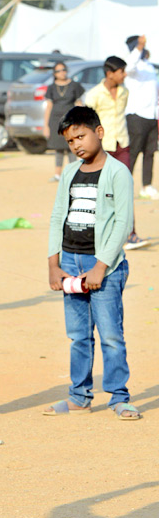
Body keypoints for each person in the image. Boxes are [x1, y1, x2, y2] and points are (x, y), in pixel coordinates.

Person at [45, 106, 140, 419]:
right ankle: (79, 396)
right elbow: (59, 215)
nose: (76, 145)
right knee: (78, 335)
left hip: (105, 267)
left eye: (81, 136)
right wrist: (53, 263)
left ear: (99, 132)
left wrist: (101, 266)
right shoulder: (70, 173)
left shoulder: (117, 173)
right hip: (70, 262)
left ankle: (118, 397)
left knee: (111, 334)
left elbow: (124, 222)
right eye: (71, 141)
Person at [85, 56, 148, 250]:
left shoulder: (124, 92)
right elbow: (86, 123)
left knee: (125, 188)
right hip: (102, 148)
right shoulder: (94, 95)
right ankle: (95, 234)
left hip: (122, 145)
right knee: (99, 190)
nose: (124, 75)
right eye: (121, 71)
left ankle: (130, 234)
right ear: (110, 73)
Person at [125, 34, 159, 200]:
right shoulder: (133, 66)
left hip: (151, 115)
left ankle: (146, 186)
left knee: (150, 152)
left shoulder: (149, 67)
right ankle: (124, 185)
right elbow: (130, 66)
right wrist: (138, 48)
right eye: (140, 47)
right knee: (133, 152)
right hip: (137, 115)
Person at [43, 61, 84, 180]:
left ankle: (73, 173)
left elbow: (79, 102)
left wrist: (82, 119)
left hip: (71, 120)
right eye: (58, 71)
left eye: (63, 70)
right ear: (54, 73)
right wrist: (45, 125)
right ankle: (57, 174)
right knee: (58, 147)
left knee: (72, 146)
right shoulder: (51, 87)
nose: (62, 73)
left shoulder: (74, 85)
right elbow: (48, 106)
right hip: (55, 120)